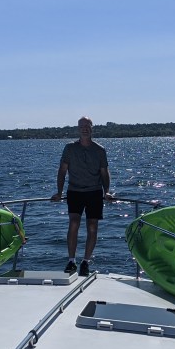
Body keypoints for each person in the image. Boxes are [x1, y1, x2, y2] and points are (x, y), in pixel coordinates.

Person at [50, 116, 115, 276]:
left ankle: (85, 262)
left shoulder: (100, 150)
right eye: (82, 126)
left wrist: (106, 191)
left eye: (87, 126)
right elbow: (62, 171)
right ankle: (71, 261)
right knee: (74, 223)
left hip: (94, 192)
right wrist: (59, 192)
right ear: (78, 129)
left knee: (92, 226)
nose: (85, 128)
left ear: (92, 128)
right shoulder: (70, 148)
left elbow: (104, 172)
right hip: (75, 191)